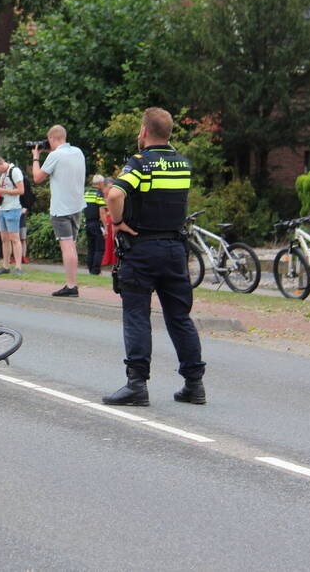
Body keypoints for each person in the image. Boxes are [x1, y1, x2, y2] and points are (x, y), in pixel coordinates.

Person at [102, 107, 205, 407]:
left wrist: (118, 221)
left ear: (144, 131)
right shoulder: (182, 164)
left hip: (142, 249)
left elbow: (114, 195)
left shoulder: (139, 163)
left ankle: (136, 384)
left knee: (136, 314)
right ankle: (194, 384)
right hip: (175, 249)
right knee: (179, 317)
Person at [31, 125, 86, 297]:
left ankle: (71, 285)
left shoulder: (55, 155)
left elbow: (37, 177)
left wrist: (35, 158)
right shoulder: (78, 152)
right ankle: (72, 283)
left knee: (67, 246)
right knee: (72, 245)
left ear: (52, 139)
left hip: (61, 208)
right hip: (77, 206)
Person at [0, 156, 24, 276]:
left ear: (0, 164)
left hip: (13, 209)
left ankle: (18, 267)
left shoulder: (15, 171)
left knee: (15, 238)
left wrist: (2, 191)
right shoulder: (3, 174)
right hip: (3, 209)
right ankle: (5, 266)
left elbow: (21, 190)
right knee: (4, 239)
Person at [83, 174, 109, 274]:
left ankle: (90, 269)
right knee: (99, 248)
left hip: (87, 223)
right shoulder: (99, 194)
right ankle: (96, 271)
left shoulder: (87, 192)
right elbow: (102, 212)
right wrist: (106, 227)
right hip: (96, 224)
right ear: (100, 183)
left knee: (91, 248)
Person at [18, 165, 37, 264]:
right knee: (15, 236)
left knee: (22, 235)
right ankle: (17, 256)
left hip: (22, 209)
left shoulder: (25, 181)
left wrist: (26, 207)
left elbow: (29, 196)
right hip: (14, 208)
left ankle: (23, 256)